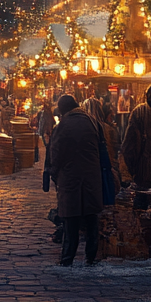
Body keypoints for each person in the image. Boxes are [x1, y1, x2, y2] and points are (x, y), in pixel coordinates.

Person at [48, 94, 103, 266]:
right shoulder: (92, 121)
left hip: (70, 178)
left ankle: (67, 258)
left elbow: (56, 153)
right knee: (91, 218)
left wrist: (54, 174)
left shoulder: (63, 125)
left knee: (71, 220)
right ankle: (91, 257)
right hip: (91, 177)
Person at [122, 82, 151, 189]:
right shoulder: (140, 112)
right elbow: (129, 146)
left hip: (144, 172)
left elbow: (128, 147)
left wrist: (132, 171)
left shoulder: (139, 112)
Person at [84, 96, 123, 187]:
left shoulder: (81, 129)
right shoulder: (108, 129)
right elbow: (116, 149)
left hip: (87, 172)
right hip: (106, 169)